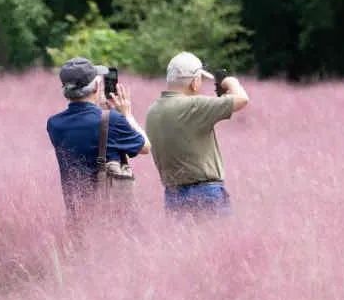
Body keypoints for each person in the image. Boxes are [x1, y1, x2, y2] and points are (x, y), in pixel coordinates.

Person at [46, 58, 150, 229]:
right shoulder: (112, 120)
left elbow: (85, 129)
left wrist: (98, 108)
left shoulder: (54, 124)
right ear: (96, 87)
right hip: (113, 220)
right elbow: (145, 146)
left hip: (76, 218)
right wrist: (127, 114)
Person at [145, 52, 249, 217]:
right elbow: (242, 99)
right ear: (194, 82)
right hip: (206, 193)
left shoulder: (152, 111)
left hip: (172, 195)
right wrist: (231, 81)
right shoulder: (194, 106)